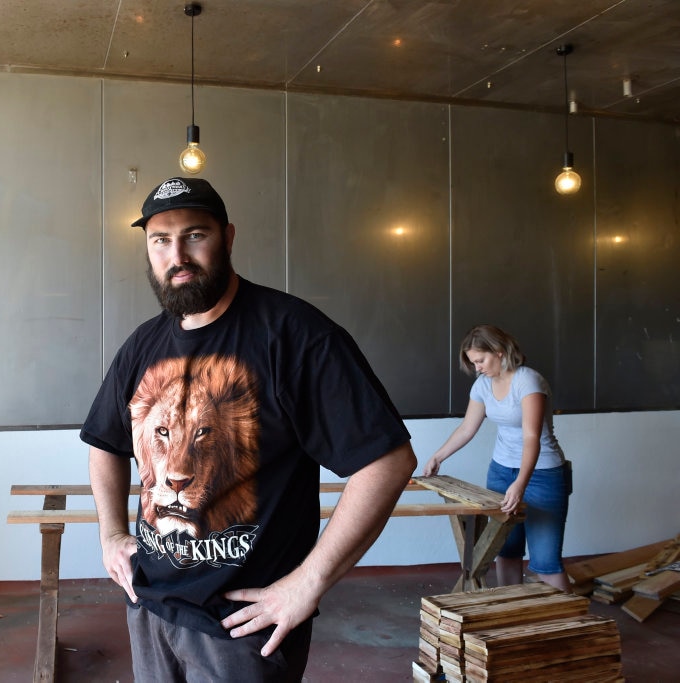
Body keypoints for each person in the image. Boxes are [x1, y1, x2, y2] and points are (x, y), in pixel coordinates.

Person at [80, 176, 417, 682]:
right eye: (160, 240)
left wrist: (308, 583)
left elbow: (387, 461)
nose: (178, 254)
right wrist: (111, 535)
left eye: (195, 234)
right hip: (150, 608)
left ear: (228, 237)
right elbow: (105, 442)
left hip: (240, 628)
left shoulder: (296, 336)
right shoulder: (142, 346)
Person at [422, 324, 571, 592]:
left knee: (546, 562)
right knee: (507, 550)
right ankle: (510, 618)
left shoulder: (528, 381)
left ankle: (572, 628)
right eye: (473, 362)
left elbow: (531, 438)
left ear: (499, 352)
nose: (477, 368)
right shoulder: (483, 385)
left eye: (480, 360)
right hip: (501, 472)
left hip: (543, 474)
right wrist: (438, 456)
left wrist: (521, 483)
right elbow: (468, 428)